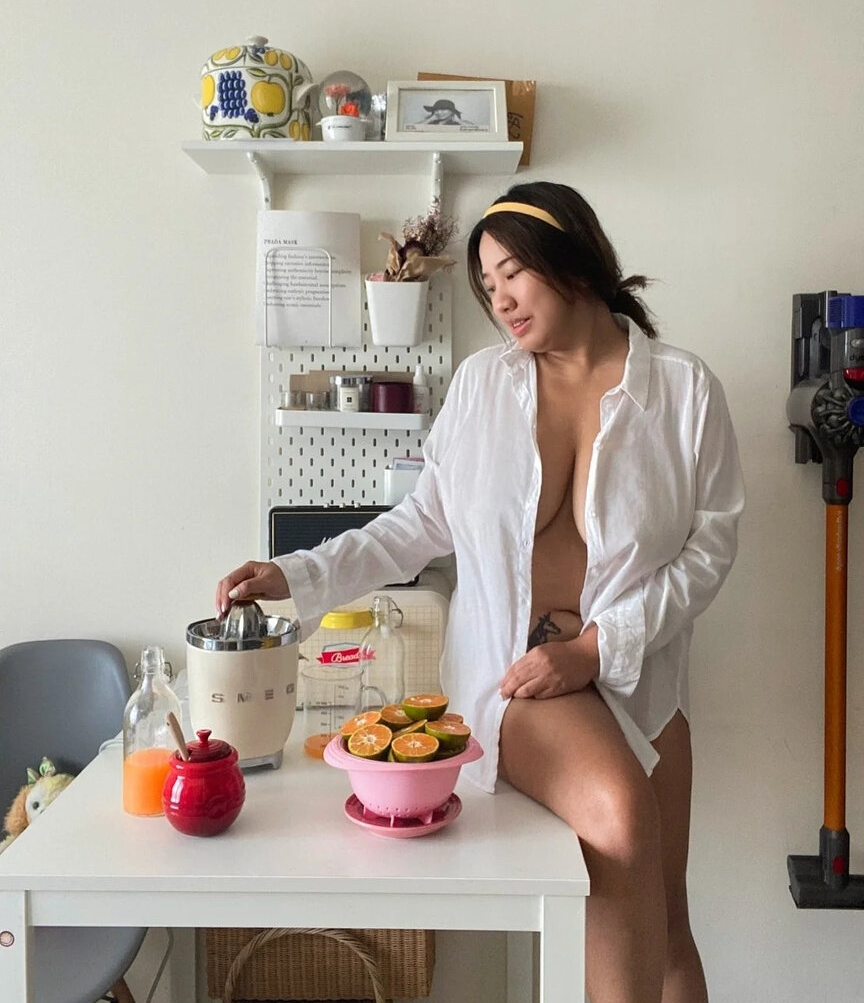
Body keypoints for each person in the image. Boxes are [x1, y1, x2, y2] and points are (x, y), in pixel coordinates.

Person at [216, 181, 745, 1003]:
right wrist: (299, 574)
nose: (499, 300)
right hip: (521, 678)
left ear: (572, 261)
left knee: (671, 923)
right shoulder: (482, 387)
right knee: (624, 815)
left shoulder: (684, 391)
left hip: (643, 680)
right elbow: (419, 524)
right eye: (487, 284)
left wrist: (598, 649)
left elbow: (710, 548)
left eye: (513, 275)